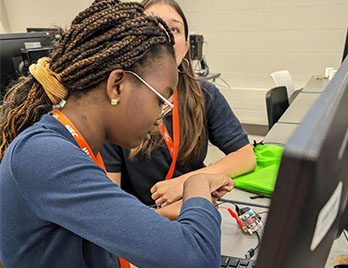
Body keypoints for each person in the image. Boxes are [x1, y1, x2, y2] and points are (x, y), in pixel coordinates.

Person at [0, 1, 235, 267]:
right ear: (117, 86)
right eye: (161, 101)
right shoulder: (45, 155)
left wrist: (160, 216)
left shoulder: (73, 144)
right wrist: (196, 186)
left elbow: (95, 228)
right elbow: (197, 259)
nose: (160, 117)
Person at [100, 0, 256, 219]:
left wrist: (189, 184)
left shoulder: (205, 95)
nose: (165, 37)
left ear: (185, 47)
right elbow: (111, 211)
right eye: (154, 26)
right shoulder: (116, 106)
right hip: (144, 223)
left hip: (197, 210)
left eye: (174, 29)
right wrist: (166, 212)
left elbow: (245, 157)